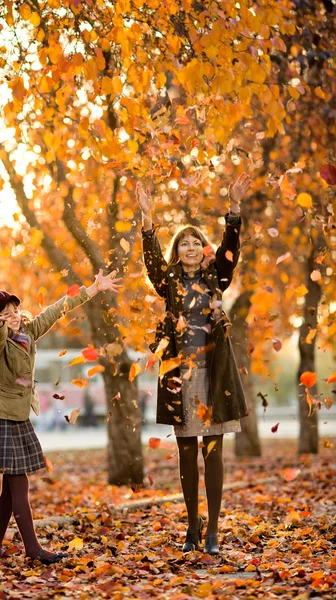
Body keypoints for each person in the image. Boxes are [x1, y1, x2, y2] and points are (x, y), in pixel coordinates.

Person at [137, 173, 250, 555]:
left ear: (204, 249)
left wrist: (233, 211)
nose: (190, 246)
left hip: (214, 374)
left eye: (196, 242)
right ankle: (191, 528)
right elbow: (152, 261)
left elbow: (230, 249)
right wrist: (148, 220)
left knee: (213, 451)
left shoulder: (216, 277)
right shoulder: (167, 281)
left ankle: (214, 530)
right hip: (178, 376)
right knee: (187, 452)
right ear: (177, 250)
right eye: (183, 242)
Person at [0, 269, 121, 564]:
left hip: (18, 417)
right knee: (20, 484)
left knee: (9, 488)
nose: (13, 315)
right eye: (4, 313)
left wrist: (92, 289)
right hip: (2, 417)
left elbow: (56, 309)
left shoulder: (27, 333)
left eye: (14, 310)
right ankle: (33, 549)